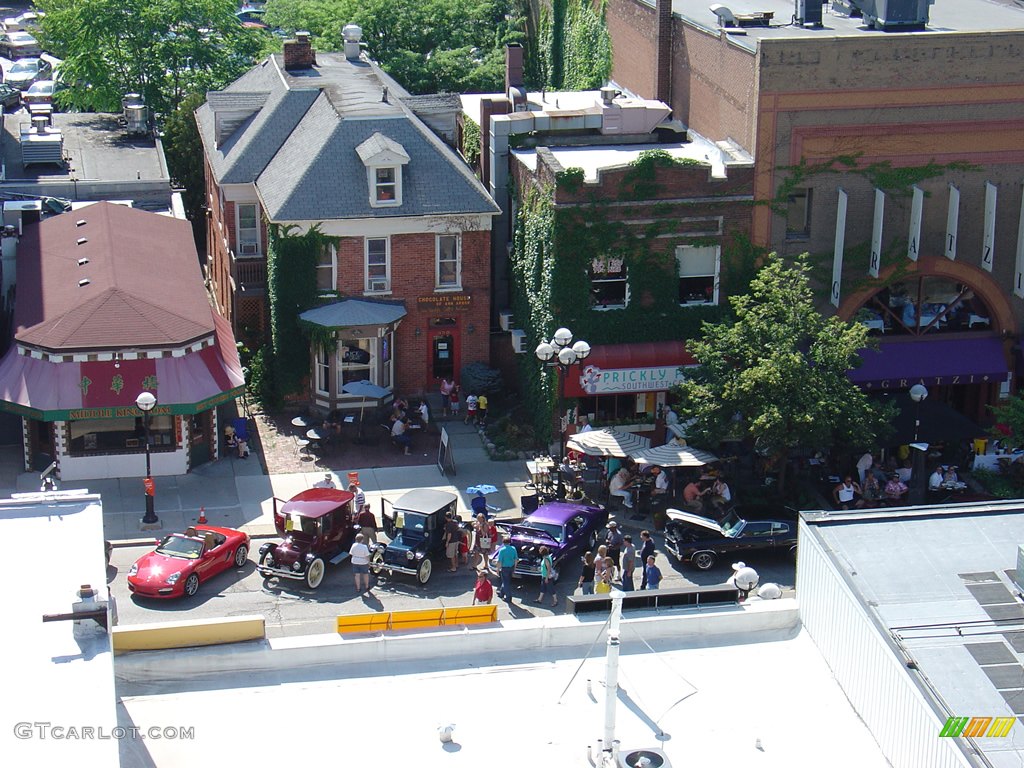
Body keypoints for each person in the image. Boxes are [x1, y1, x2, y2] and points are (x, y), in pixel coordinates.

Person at [496, 535, 518, 602]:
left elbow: (499, 561)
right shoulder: (513, 549)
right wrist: (514, 568)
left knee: (506, 583)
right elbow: (516, 559)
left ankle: (508, 597)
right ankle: (501, 593)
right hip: (511, 567)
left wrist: (497, 569)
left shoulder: (502, 550)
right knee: (506, 581)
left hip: (504, 568)